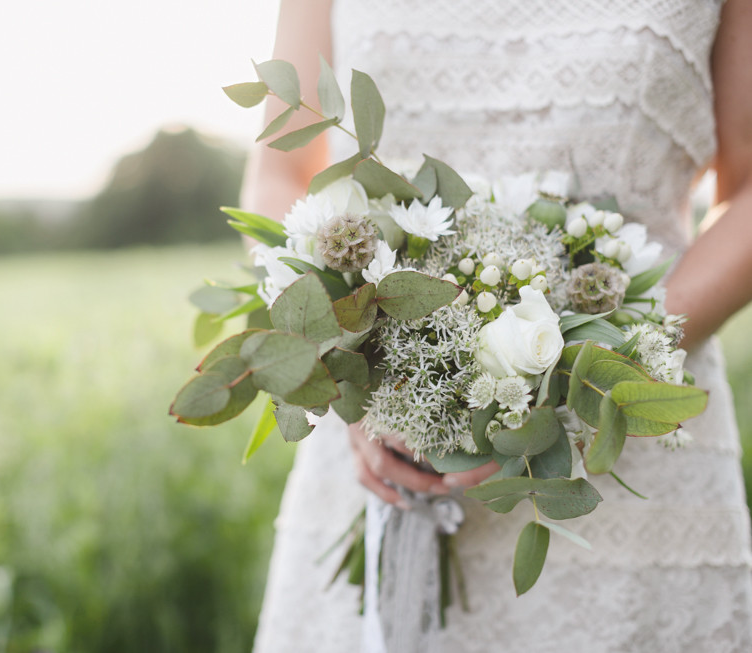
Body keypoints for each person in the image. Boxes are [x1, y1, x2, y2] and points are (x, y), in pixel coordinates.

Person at [244, 1, 752, 651]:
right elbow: (282, 170)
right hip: (382, 441)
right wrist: (344, 364)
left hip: (625, 436)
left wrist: (588, 367)